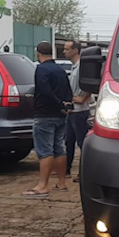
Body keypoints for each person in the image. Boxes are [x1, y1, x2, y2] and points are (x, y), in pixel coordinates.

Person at [23, 41, 73, 198]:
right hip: (60, 116)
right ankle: (62, 182)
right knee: (59, 148)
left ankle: (43, 185)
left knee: (45, 150)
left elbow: (45, 91)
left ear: (38, 53)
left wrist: (57, 104)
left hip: (45, 114)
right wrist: (66, 105)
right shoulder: (60, 70)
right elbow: (68, 90)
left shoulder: (41, 70)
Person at [62, 40, 92, 183]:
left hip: (80, 111)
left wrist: (83, 97)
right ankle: (66, 169)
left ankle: (84, 172)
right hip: (72, 110)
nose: (64, 51)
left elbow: (89, 84)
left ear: (75, 50)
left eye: (67, 49)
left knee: (81, 142)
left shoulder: (81, 68)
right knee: (68, 141)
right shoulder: (74, 67)